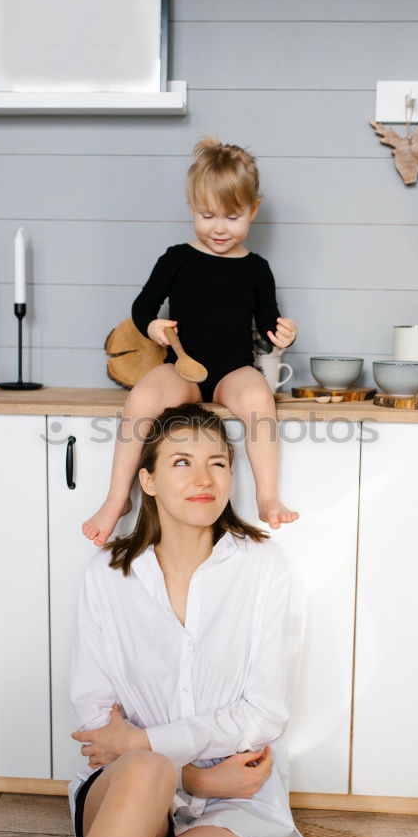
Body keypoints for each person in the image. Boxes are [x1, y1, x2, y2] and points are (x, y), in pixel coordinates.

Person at [60, 402, 311, 837]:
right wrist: (192, 776)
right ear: (146, 481)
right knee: (145, 769)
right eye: (181, 462)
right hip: (128, 789)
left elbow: (263, 713)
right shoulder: (107, 576)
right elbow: (98, 724)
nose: (204, 478)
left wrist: (146, 742)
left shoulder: (263, 567)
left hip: (239, 801)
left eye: (218, 463)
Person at [81, 136, 300, 550]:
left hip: (231, 371)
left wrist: (283, 333)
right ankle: (116, 500)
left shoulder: (257, 269)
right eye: (207, 215)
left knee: (258, 399)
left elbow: (268, 324)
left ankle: (267, 494)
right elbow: (144, 305)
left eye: (233, 217)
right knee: (143, 398)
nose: (219, 227)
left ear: (254, 209)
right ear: (191, 207)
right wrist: (153, 328)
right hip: (183, 369)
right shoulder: (177, 258)